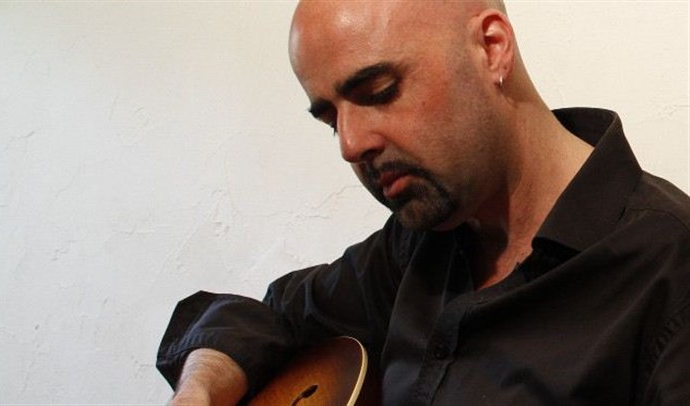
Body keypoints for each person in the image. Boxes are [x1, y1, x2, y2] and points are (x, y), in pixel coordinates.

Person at [157, 0, 690, 404]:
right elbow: (264, 317)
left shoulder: (670, 276)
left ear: (491, 48)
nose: (350, 145)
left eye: (378, 91)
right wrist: (200, 387)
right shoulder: (419, 244)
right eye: (331, 119)